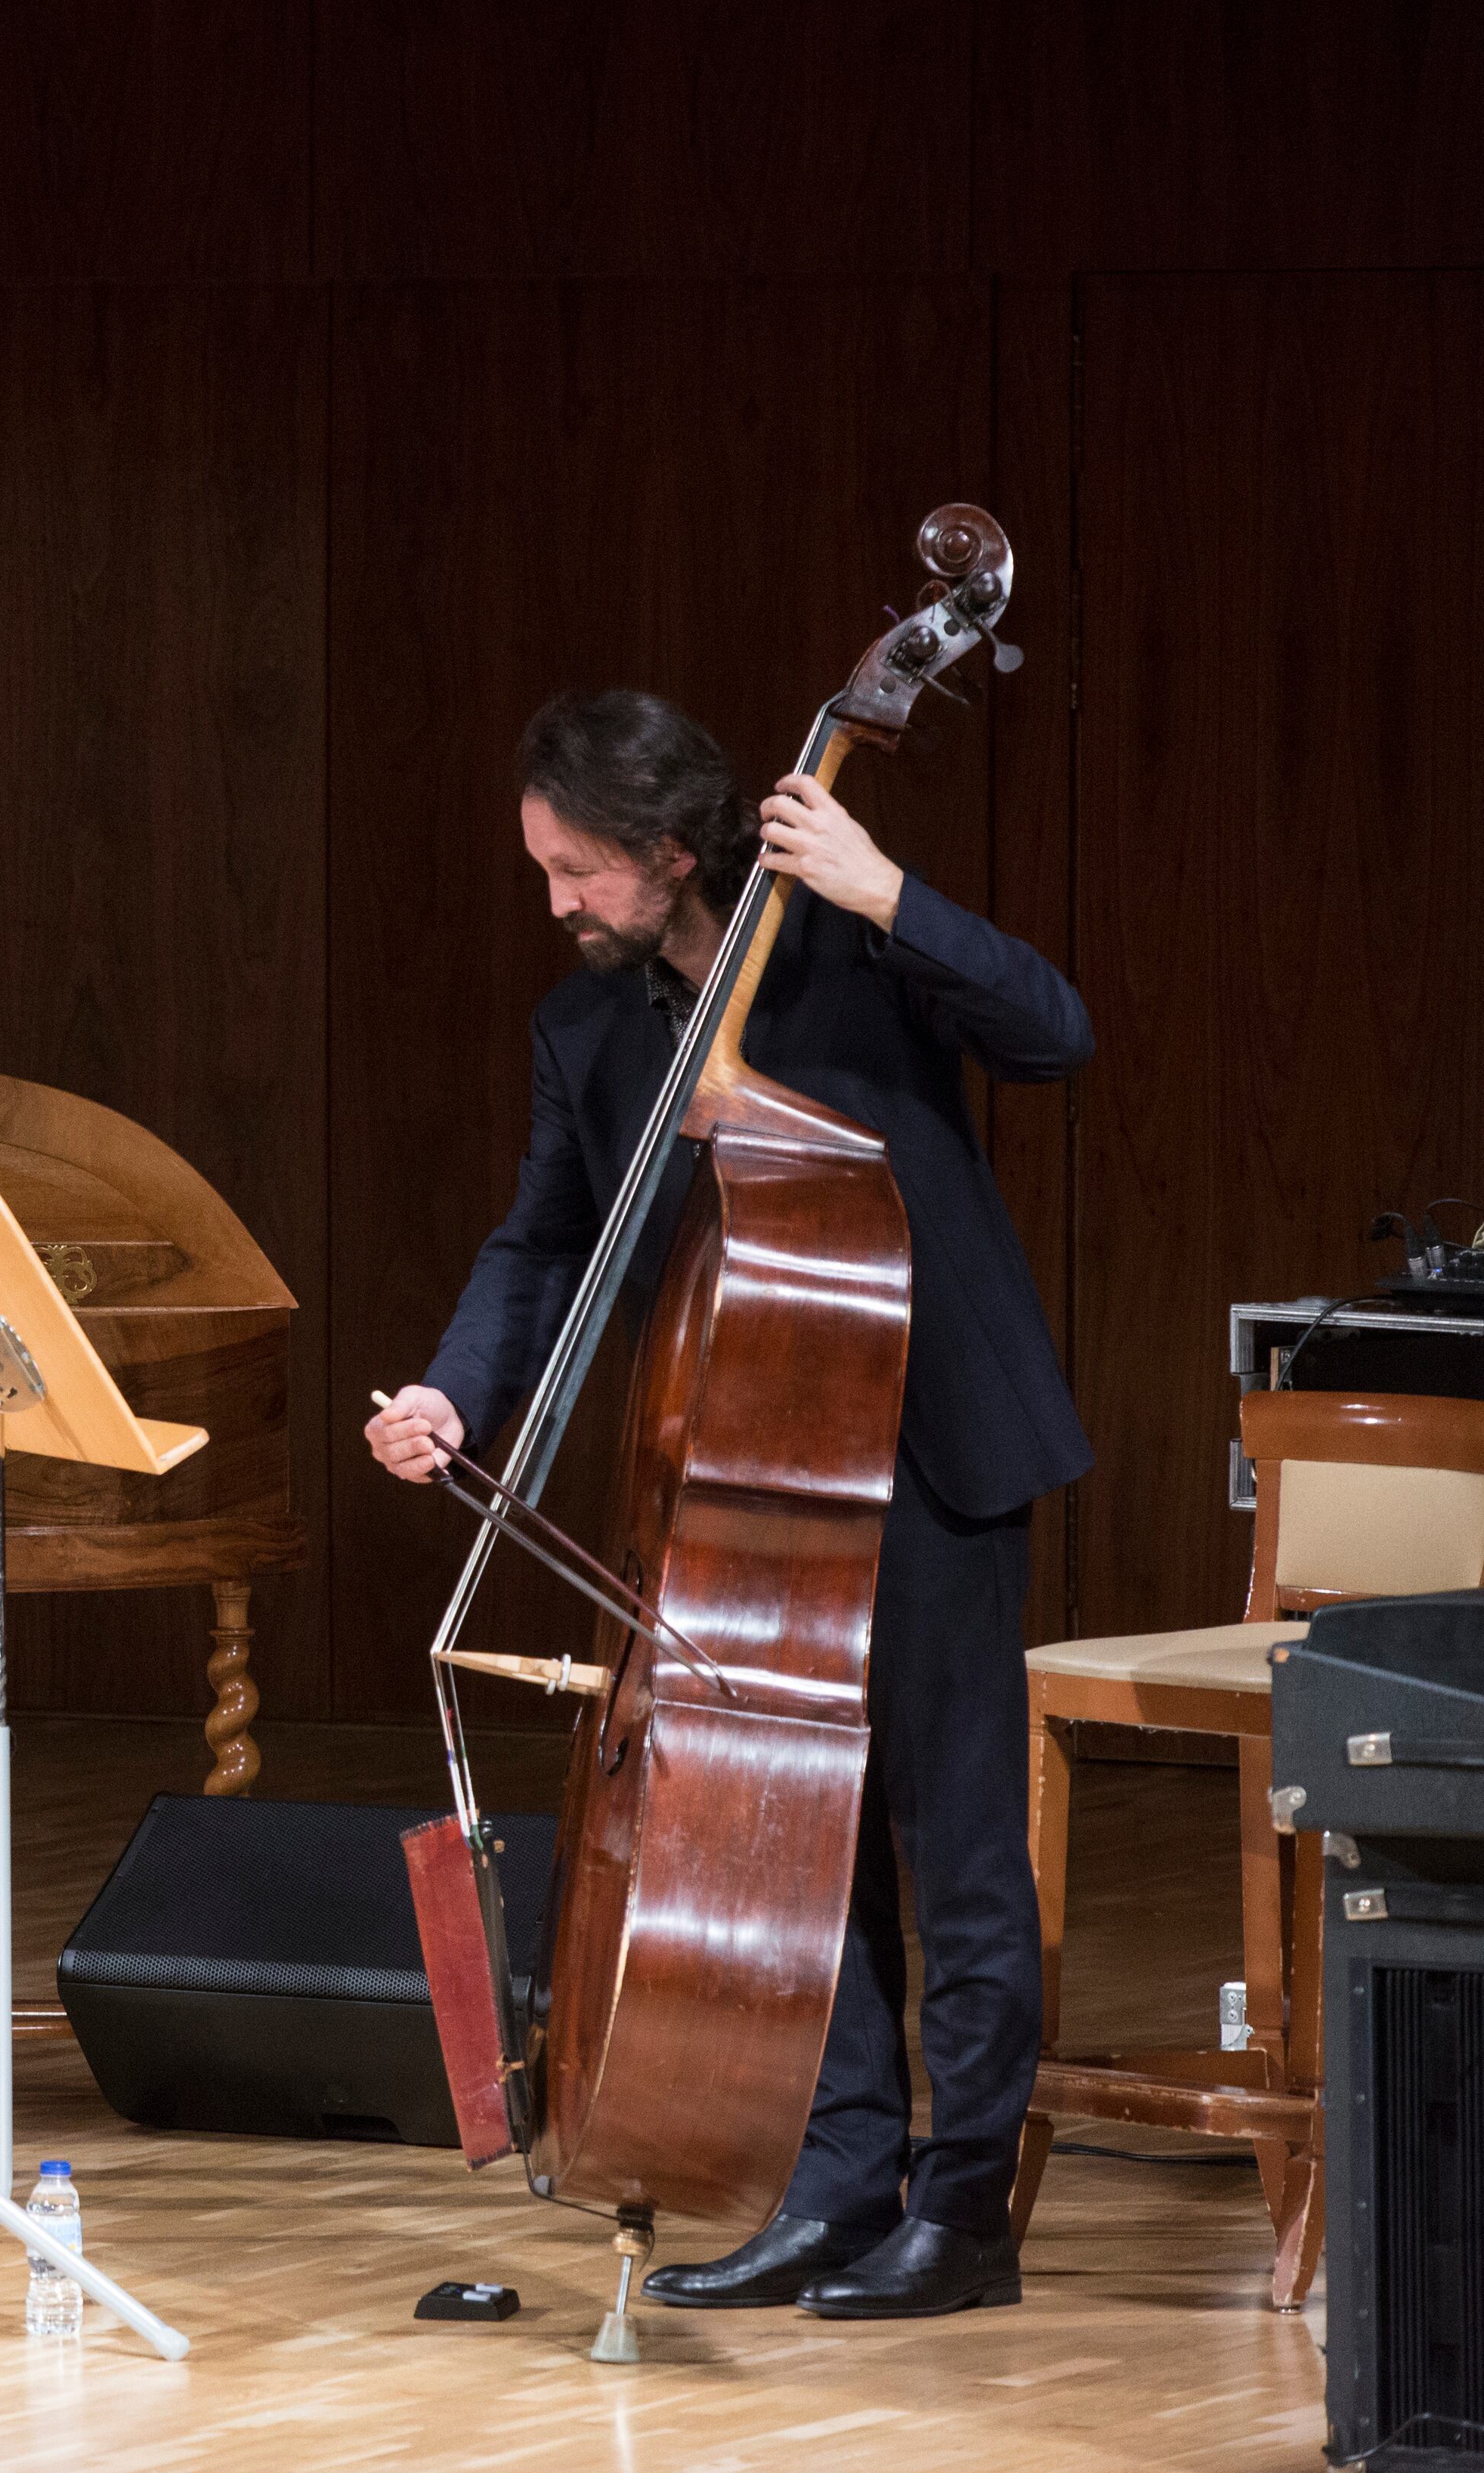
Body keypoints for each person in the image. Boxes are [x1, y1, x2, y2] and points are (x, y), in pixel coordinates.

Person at [365, 690, 1091, 2320]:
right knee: (802, 1840)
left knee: (951, 1838)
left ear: (670, 850)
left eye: (574, 870)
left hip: (931, 1448)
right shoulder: (586, 1033)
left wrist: (884, 886)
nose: (553, 901)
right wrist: (449, 1391)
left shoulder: (851, 954)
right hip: (748, 1477)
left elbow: (1056, 1032)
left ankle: (963, 2203)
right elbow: (540, 1242)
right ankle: (838, 2182)